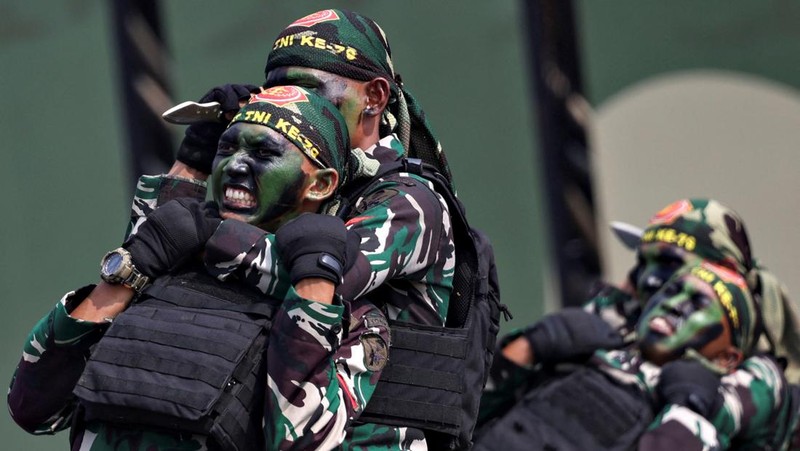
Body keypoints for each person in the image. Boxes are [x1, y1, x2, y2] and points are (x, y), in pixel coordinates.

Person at [130, 9, 481, 449]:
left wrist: (198, 233)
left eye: (310, 88)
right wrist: (194, 165)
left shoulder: (411, 201)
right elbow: (141, 266)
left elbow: (320, 277)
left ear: (373, 97)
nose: (295, 103)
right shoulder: (276, 174)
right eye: (279, 91)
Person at [8, 87, 392, 451]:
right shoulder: (168, 265)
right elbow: (34, 407)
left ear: (321, 184)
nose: (236, 165)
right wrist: (130, 270)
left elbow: (303, 444)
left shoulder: (352, 320)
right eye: (227, 147)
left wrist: (313, 289)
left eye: (263, 152)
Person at [474, 261, 796, 449]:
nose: (673, 304)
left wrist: (689, 412)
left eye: (697, 305)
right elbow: (461, 413)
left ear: (726, 358)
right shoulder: (588, 345)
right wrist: (529, 347)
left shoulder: (711, 405)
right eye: (670, 291)